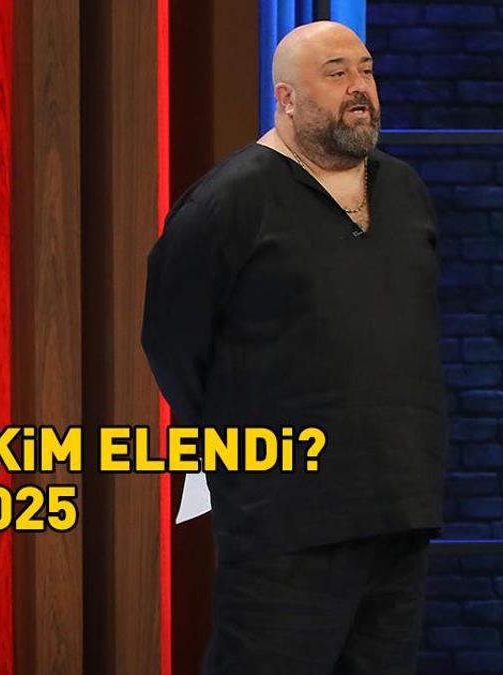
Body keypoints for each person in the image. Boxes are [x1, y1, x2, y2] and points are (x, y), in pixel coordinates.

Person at [142, 21, 445, 675]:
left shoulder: (404, 189)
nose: (359, 87)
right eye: (336, 73)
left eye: (366, 70)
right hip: (284, 518)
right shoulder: (229, 200)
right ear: (285, 97)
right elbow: (172, 343)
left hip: (399, 508)